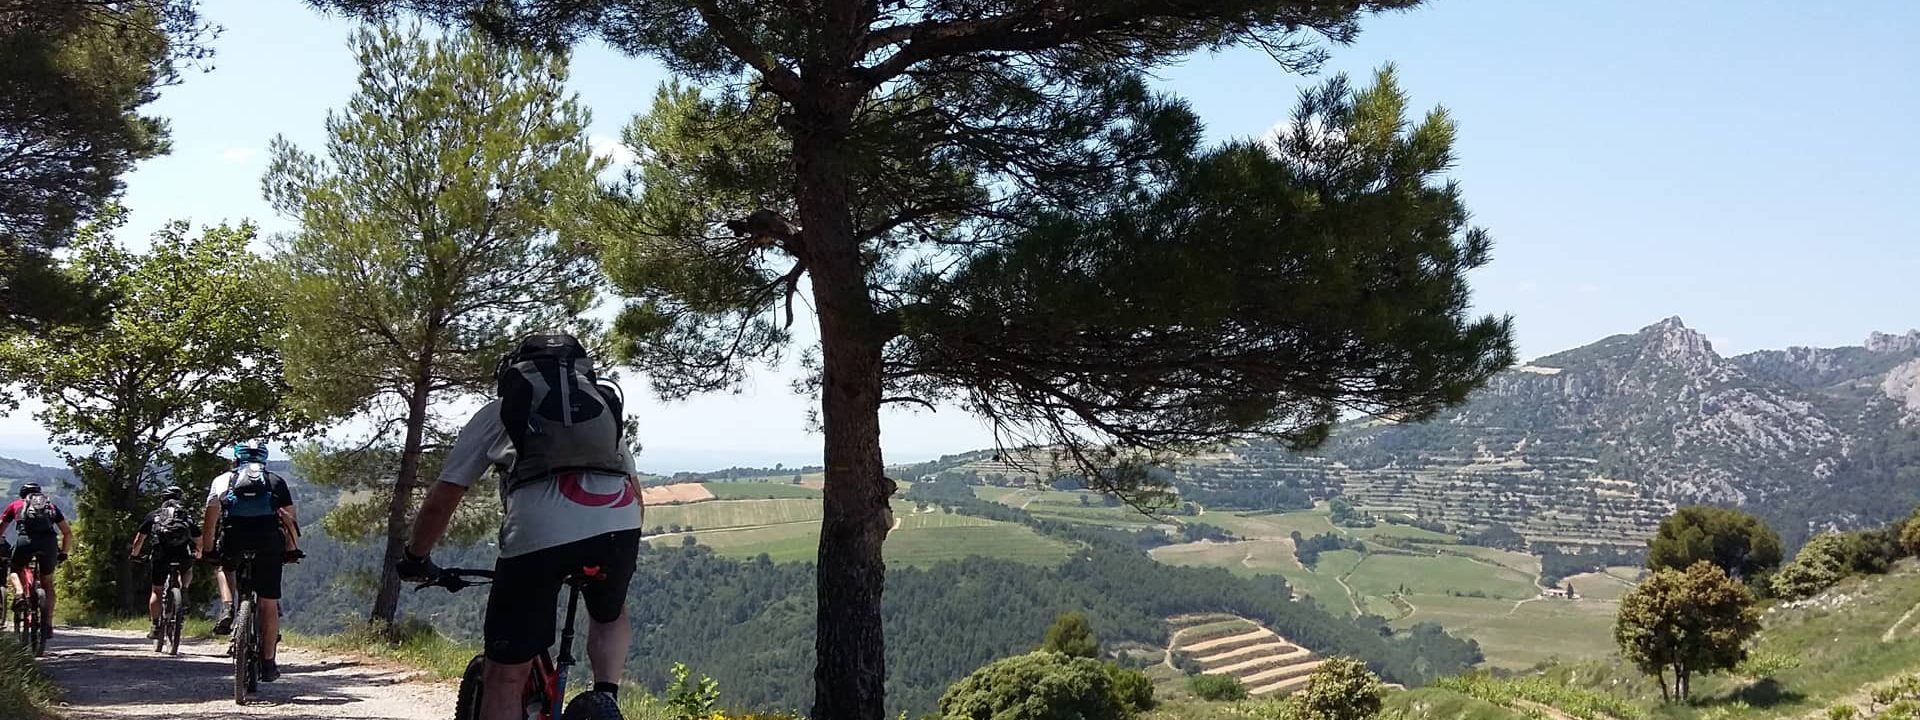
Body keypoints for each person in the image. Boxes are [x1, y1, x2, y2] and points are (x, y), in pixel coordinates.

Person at [397, 333, 643, 720]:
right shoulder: (601, 410)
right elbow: (636, 491)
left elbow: (443, 499)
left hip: (538, 532)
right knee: (609, 612)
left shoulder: (500, 411)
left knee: (505, 675)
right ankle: (607, 697)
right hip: (620, 523)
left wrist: (416, 557)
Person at [198, 441, 301, 683]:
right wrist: (292, 549)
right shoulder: (276, 481)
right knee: (268, 602)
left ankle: (227, 606)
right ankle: (268, 663)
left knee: (223, 567)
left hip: (234, 538)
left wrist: (209, 549)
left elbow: (210, 519)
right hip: (268, 542)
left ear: (236, 458)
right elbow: (289, 520)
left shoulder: (222, 480)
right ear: (264, 459)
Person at [129, 486, 200, 639]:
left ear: (163, 499)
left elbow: (139, 539)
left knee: (157, 590)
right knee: (187, 569)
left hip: (161, 555)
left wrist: (134, 555)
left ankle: (155, 626)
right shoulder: (185, 515)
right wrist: (198, 553)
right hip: (182, 554)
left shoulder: (154, 515)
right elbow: (198, 538)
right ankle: (184, 589)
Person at [0, 483, 73, 630]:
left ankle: (20, 593)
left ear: (22, 494)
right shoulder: (50, 506)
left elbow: (1, 527)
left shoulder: (16, 505)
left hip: (25, 542)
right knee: (48, 583)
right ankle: (48, 624)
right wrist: (64, 553)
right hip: (49, 544)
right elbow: (67, 533)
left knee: (14, 569)